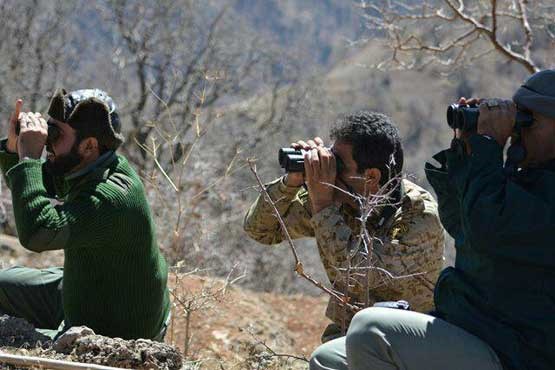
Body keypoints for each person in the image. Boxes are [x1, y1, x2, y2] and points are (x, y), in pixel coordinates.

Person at [309, 69, 555, 370]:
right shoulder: (525, 177)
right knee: (330, 359)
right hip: (472, 329)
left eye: (528, 119)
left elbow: (487, 229)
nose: (517, 128)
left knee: (370, 330)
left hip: (514, 351)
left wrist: (489, 147)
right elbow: (460, 225)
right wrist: (467, 148)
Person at [244, 110, 445, 342]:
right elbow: (259, 229)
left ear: (370, 176)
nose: (329, 171)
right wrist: (292, 182)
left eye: (337, 164)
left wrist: (322, 203)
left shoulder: (419, 216)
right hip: (350, 330)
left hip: (409, 338)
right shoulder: (340, 199)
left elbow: (358, 277)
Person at [0, 89, 170, 341]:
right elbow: (37, 182)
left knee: (8, 337)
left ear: (89, 145)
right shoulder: (91, 165)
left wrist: (29, 157)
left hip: (114, 325)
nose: (48, 143)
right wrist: (16, 149)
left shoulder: (111, 196)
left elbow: (38, 234)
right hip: (89, 287)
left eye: (55, 135)